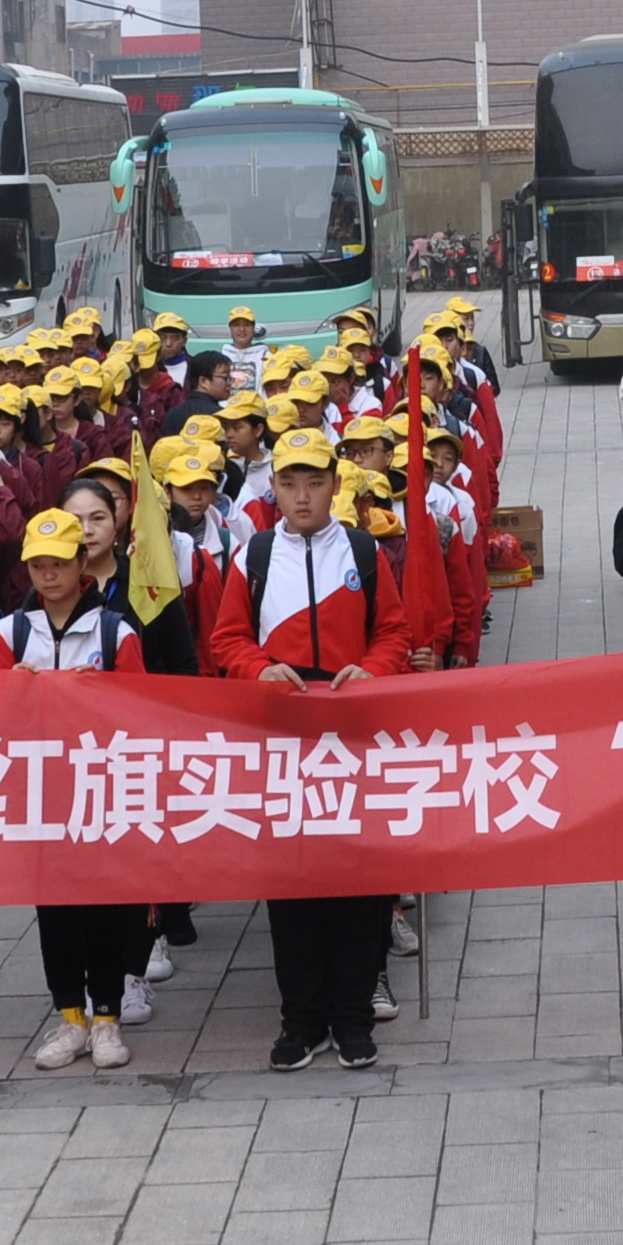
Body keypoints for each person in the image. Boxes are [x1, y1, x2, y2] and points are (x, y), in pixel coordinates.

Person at [195, 427, 410, 1069]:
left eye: (314, 481)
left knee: (354, 878)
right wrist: (258, 669)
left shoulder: (366, 552)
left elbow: (395, 634)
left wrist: (373, 669)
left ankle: (352, 1016)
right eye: (288, 483)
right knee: (290, 886)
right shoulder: (254, 556)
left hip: (352, 739)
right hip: (281, 740)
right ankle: (300, 1019)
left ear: (335, 485)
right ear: (275, 489)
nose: (302, 495)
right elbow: (226, 640)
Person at [0, 509, 157, 1073]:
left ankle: (107, 1017)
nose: (48, 575)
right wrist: (10, 694)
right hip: (38, 794)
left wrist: (100, 696)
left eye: (58, 563)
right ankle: (70, 1018)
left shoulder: (115, 632)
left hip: (101, 790)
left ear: (82, 563)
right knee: (55, 912)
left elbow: (141, 715)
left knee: (103, 909)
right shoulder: (9, 634)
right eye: (37, 565)